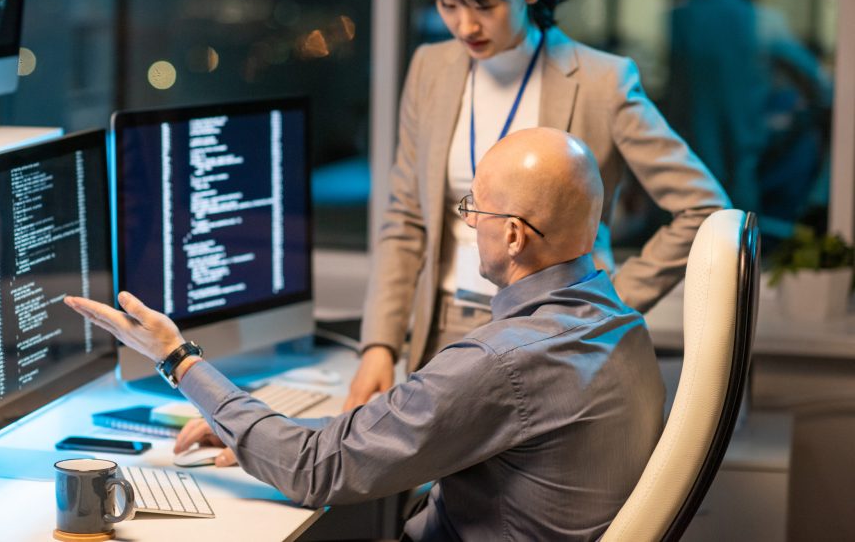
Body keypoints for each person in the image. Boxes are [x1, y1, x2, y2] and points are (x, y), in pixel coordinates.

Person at [67, 127, 664, 541]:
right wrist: (257, 429)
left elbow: (314, 472)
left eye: (474, 210)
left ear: (512, 236)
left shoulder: (501, 362)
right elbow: (366, 442)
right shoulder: (619, 324)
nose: (468, 224)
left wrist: (177, 357)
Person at [346, 0, 728, 409]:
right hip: (442, 329)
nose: (465, 26)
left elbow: (704, 208)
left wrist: (608, 304)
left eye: (484, 4)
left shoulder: (601, 81)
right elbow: (406, 218)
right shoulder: (430, 69)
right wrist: (379, 343)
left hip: (554, 336)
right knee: (428, 489)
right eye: (448, 3)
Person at [667, 0, 832, 222]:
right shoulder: (760, 20)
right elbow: (822, 88)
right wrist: (790, 126)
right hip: (741, 175)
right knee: (739, 257)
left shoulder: (673, 21)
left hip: (675, 176)